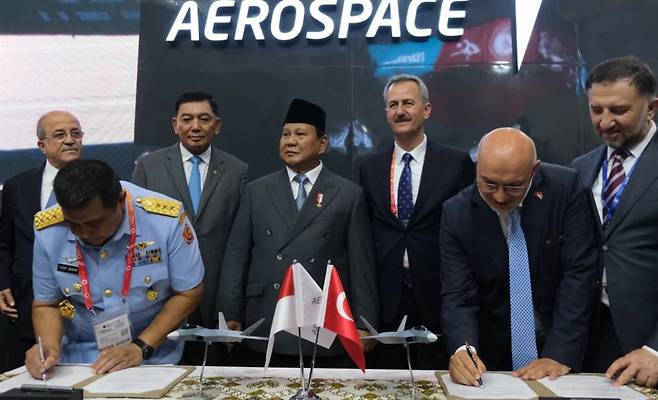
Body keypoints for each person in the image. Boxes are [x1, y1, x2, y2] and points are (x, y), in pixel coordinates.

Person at [219, 98, 378, 366]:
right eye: (285, 135)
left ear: (322, 143)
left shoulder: (348, 195)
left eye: (300, 134)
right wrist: (229, 313)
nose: (290, 141)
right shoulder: (256, 191)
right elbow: (237, 256)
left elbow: (362, 265)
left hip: (322, 321)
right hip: (266, 317)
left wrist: (365, 322)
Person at [441, 128, 598, 386]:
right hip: (494, 355)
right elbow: (458, 295)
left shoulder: (565, 189)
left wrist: (559, 353)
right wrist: (463, 349)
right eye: (489, 184)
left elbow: (579, 275)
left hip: (563, 345)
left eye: (513, 186)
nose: (500, 196)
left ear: (534, 170)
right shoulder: (457, 213)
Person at [25, 159, 204, 378]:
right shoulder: (48, 228)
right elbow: (47, 304)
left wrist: (140, 347)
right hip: (78, 361)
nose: (84, 233)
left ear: (120, 201)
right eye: (73, 224)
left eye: (94, 223)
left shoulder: (165, 219)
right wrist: (48, 348)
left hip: (154, 355)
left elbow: (188, 292)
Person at [358, 74, 474, 369]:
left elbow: (469, 231)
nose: (400, 111)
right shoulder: (369, 167)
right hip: (386, 298)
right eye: (393, 105)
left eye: (408, 103)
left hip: (439, 295)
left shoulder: (455, 163)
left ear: (427, 109)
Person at [132, 92, 248, 364]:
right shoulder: (149, 167)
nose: (195, 126)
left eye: (204, 119)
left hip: (214, 297)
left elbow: (239, 244)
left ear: (217, 125)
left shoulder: (237, 171)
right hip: (162, 298)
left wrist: (231, 308)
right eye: (187, 119)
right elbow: (137, 235)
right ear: (176, 125)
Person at [572, 56, 658, 387]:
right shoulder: (580, 168)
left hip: (649, 346)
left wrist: (655, 348)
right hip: (592, 341)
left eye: (619, 110)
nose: (605, 122)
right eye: (596, 110)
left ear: (651, 108)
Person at [0, 110, 83, 372]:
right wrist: (2, 283)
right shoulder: (17, 186)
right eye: (60, 135)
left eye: (76, 133)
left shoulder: (104, 183)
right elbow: (5, 242)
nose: (70, 140)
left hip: (85, 304)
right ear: (42, 146)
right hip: (26, 303)